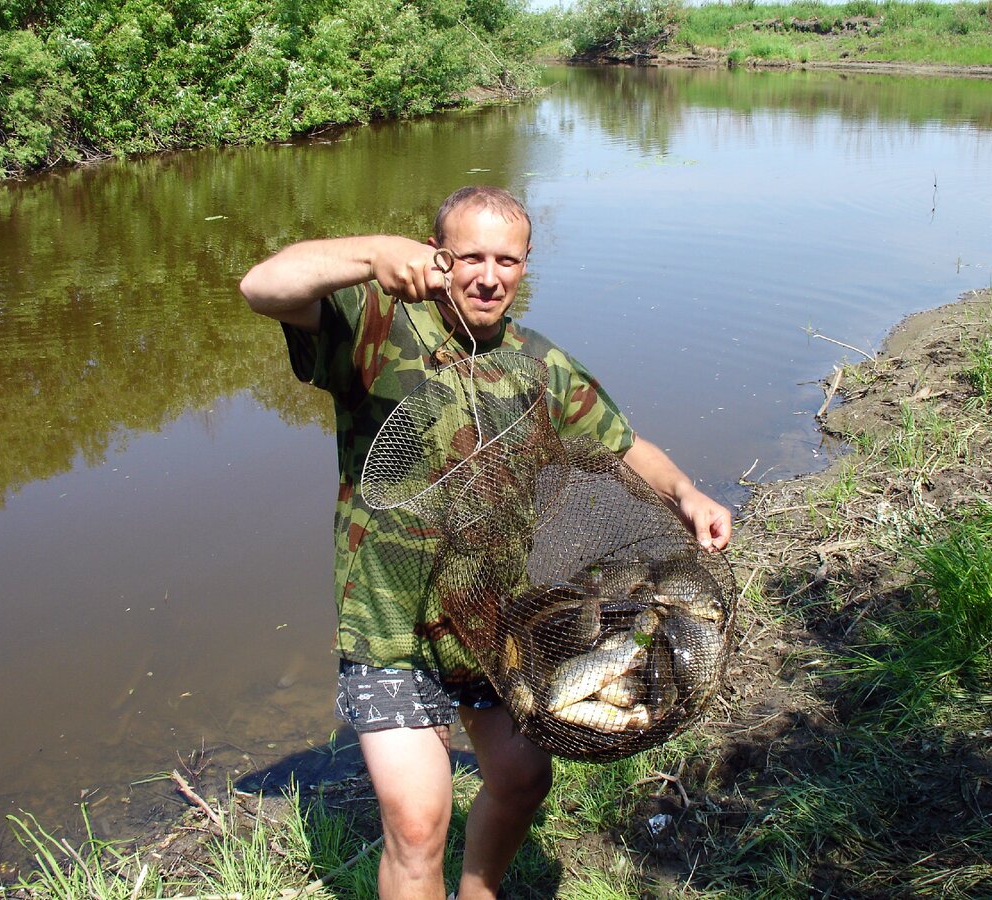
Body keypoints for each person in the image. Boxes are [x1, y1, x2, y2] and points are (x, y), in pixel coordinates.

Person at [239, 186, 732, 900]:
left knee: (525, 778)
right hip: (390, 628)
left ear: (525, 267)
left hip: (490, 622)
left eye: (507, 260)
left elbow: (620, 445)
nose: (488, 275)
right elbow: (262, 286)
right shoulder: (375, 327)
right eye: (470, 256)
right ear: (438, 257)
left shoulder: (540, 365)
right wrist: (373, 253)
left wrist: (686, 493)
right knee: (416, 819)